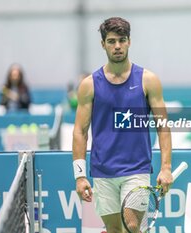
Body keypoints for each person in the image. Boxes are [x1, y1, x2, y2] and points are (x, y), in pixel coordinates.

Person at [72, 17, 172, 233]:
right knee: (115, 230)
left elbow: (163, 126)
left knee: (132, 226)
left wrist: (166, 167)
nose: (117, 46)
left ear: (129, 42)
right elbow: (80, 131)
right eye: (111, 41)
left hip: (136, 169)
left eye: (122, 40)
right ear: (103, 44)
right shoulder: (89, 85)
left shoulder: (148, 80)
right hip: (103, 171)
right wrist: (80, 176)